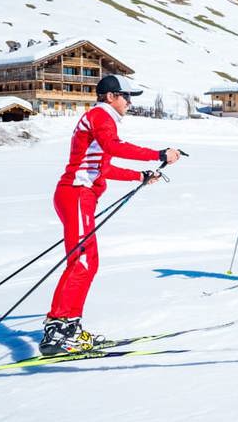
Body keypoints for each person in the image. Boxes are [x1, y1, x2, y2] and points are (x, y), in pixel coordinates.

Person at [41, 74, 181, 355]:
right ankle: (58, 329)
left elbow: (103, 168)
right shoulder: (101, 115)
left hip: (80, 196)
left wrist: (139, 175)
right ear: (110, 97)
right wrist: (158, 154)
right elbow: (114, 148)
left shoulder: (100, 119)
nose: (129, 103)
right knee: (82, 262)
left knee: (87, 261)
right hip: (77, 193)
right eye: (126, 97)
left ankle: (67, 325)